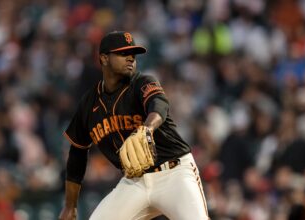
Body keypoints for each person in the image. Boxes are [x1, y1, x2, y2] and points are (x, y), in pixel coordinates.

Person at [59, 31, 209, 220]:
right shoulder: (88, 105)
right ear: (104, 58)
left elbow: (159, 105)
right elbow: (77, 153)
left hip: (174, 173)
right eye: (123, 53)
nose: (131, 58)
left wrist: (147, 128)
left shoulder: (142, 83)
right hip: (134, 182)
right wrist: (70, 206)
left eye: (133, 54)